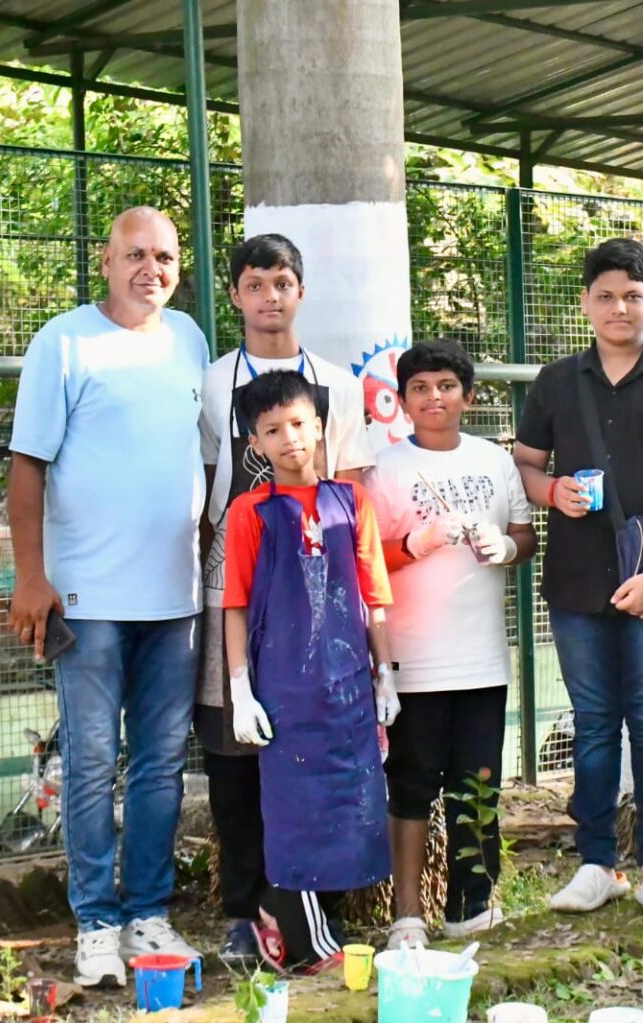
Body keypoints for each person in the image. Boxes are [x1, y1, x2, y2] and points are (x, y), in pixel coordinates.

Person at [7, 207, 208, 987]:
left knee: (159, 763)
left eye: (163, 256)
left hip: (177, 598)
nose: (149, 268)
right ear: (105, 259)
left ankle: (147, 913)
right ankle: (95, 919)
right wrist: (32, 576)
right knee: (91, 763)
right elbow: (27, 466)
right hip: (86, 599)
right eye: (134, 253)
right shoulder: (63, 340)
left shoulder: (189, 337)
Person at [514, 237, 643, 919]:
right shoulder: (556, 382)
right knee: (595, 722)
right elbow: (525, 463)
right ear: (586, 305)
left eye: (633, 295)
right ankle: (596, 860)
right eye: (606, 295)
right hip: (575, 581)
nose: (619, 307)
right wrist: (550, 493)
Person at [197, 233, 374, 967]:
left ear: (301, 291)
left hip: (320, 603)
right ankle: (247, 909)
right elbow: (204, 482)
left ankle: (312, 910)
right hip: (230, 585)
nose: (271, 296)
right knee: (235, 748)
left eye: (283, 282)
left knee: (319, 749)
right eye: (255, 283)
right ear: (235, 294)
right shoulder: (209, 381)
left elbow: (355, 484)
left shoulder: (336, 380)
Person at [221, 370, 397, 971]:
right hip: (285, 690)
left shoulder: (351, 501)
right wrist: (241, 690)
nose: (289, 438)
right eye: (273, 430)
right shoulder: (250, 512)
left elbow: (374, 593)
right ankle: (303, 938)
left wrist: (385, 674)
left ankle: (296, 914)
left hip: (349, 688)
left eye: (298, 424)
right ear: (255, 444)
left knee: (350, 804)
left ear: (320, 429)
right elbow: (236, 604)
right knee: (293, 807)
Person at [367, 340, 539, 950]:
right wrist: (412, 543)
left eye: (445, 385)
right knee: (410, 785)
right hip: (412, 662)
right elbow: (364, 560)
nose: (433, 397)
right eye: (420, 388)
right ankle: (408, 914)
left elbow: (526, 535)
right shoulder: (383, 468)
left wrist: (508, 547)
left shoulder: (494, 460)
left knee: (478, 783)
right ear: (403, 401)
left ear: (467, 395)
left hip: (482, 658)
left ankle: (472, 906)